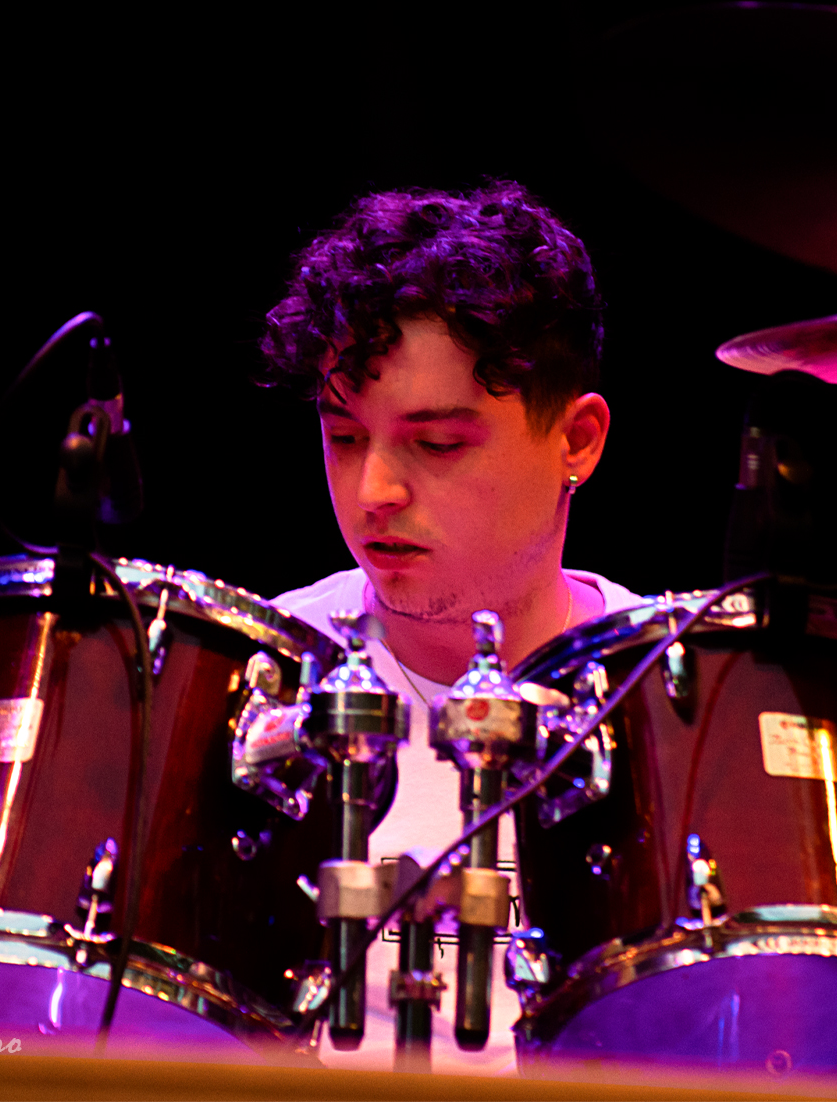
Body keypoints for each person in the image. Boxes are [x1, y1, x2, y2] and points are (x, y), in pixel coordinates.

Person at [261, 182, 643, 1075]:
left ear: (577, 442)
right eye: (344, 437)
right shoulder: (256, 677)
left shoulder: (676, 701)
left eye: (436, 444)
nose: (373, 493)